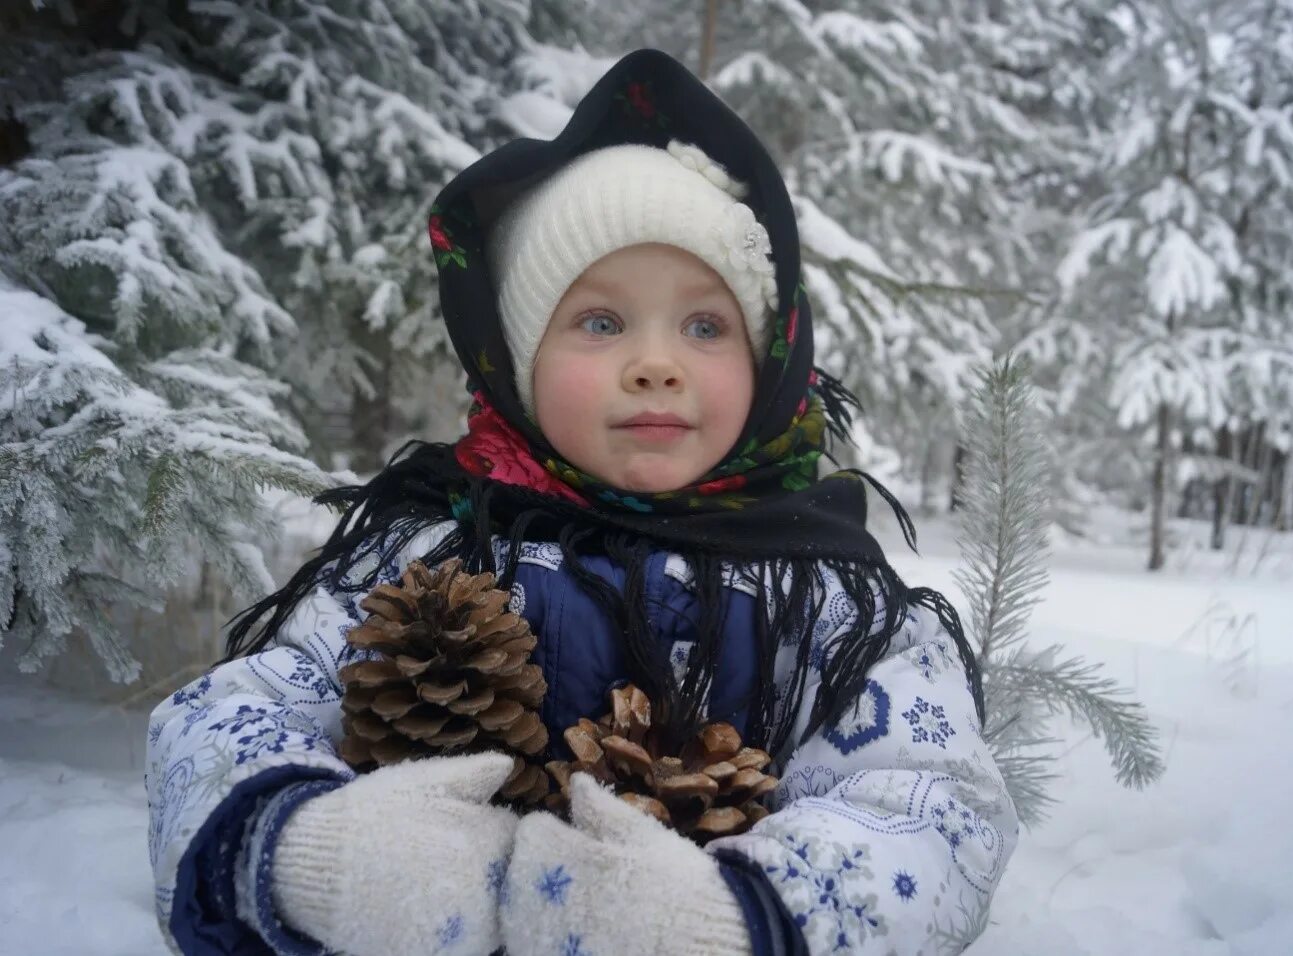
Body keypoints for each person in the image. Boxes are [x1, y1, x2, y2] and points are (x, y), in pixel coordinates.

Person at [145, 48, 1018, 956]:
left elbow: (938, 807)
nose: (656, 362)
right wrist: (305, 852)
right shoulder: (429, 552)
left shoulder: (826, 600)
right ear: (518, 368)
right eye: (599, 322)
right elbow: (222, 724)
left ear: (767, 362)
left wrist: (741, 922)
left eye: (706, 325)